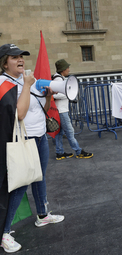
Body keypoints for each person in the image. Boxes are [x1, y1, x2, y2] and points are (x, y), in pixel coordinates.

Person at [0, 44, 64, 253]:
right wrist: (27, 86)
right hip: (21, 139)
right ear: (4, 62)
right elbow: (19, 114)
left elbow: (41, 110)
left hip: (39, 136)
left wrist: (46, 96)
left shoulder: (29, 81)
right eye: (14, 57)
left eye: (21, 56)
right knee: (20, 184)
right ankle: (4, 232)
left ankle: (43, 216)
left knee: (40, 177)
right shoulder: (4, 82)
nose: (20, 60)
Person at [52, 59, 93, 160]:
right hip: (61, 111)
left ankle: (60, 152)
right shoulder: (58, 80)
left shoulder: (60, 79)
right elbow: (55, 94)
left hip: (60, 110)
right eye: (67, 68)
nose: (69, 70)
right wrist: (67, 94)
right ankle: (78, 151)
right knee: (70, 132)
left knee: (59, 133)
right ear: (63, 70)